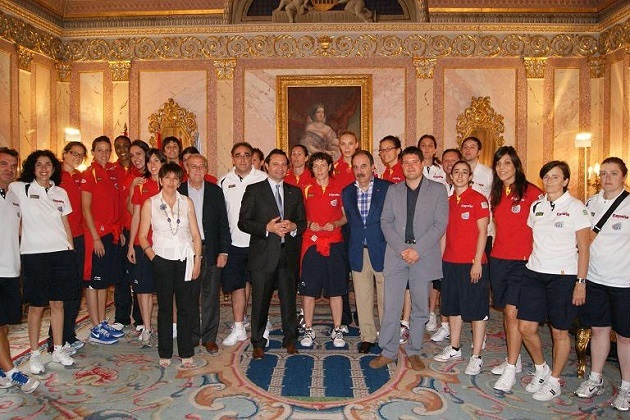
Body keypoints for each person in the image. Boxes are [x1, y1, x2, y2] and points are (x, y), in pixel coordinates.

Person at [370, 146, 448, 371]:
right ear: (401, 165)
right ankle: (388, 350)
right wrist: (403, 248)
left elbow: (439, 224)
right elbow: (386, 222)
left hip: (423, 255)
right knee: (391, 305)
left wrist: (418, 250)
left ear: (422, 163)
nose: (410, 166)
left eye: (415, 161)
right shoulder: (394, 191)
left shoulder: (438, 190)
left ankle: (414, 350)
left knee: (420, 307)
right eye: (406, 162)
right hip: (397, 255)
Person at [517, 160, 590, 401]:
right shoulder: (537, 206)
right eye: (546, 177)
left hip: (563, 277)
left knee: (559, 332)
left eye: (555, 177)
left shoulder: (576, 206)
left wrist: (581, 281)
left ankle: (555, 379)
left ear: (566, 181)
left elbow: (584, 247)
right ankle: (541, 369)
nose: (549, 181)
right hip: (534, 273)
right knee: (525, 328)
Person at [11, 150, 78, 374]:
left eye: (48, 164)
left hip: (60, 253)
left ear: (53, 168)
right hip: (34, 255)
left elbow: (65, 224)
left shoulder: (61, 192)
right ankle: (34, 354)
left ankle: (58, 349)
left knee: (58, 304)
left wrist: (70, 248)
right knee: (37, 307)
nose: (43, 168)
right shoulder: (20, 189)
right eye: (39, 164)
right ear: (32, 167)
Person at [239, 149, 306, 359]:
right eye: (275, 164)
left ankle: (290, 339)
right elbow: (243, 222)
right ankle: (258, 342)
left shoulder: (295, 192)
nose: (280, 168)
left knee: (289, 301)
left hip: (288, 256)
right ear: (266, 166)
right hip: (263, 256)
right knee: (260, 301)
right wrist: (266, 228)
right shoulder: (254, 190)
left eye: (284, 164)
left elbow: (303, 222)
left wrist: (294, 226)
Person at [576, 157, 630, 411]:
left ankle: (627, 387)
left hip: (624, 282)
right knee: (598, 330)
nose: (607, 178)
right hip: (595, 279)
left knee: (625, 337)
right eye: (604, 173)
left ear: (623, 177)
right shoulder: (590, 203)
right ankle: (595, 378)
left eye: (613, 173)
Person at [138, 162, 203, 368]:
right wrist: (154, 258)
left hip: (185, 259)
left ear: (179, 181)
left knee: (185, 308)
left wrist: (197, 260)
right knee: (165, 308)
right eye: (167, 178)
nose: (171, 182)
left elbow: (195, 234)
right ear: (160, 180)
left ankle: (186, 351)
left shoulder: (187, 202)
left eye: (175, 178)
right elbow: (141, 236)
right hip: (162, 260)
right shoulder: (150, 203)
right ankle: (165, 351)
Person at [489, 146, 543, 392]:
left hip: (522, 262)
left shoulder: (532, 193)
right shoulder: (497, 193)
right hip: (499, 258)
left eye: (507, 163)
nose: (502, 168)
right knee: (506, 313)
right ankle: (517, 358)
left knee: (512, 313)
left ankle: (511, 367)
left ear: (516, 166)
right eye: (498, 164)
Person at [433, 160, 489, 376]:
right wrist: (440, 260)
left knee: (476, 310)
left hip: (472, 264)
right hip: (450, 263)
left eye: (464, 172)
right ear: (451, 176)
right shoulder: (446, 202)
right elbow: (444, 235)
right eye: (456, 172)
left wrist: (476, 261)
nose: (459, 175)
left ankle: (476, 356)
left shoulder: (478, 199)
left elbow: (483, 232)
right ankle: (454, 347)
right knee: (452, 307)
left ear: (470, 176)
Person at [179, 154, 230, 354]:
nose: (198, 170)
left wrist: (223, 251)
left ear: (206, 169)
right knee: (189, 295)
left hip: (211, 248)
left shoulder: (216, 192)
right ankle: (191, 336)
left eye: (201, 167)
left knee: (210, 296)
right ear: (187, 169)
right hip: (186, 249)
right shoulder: (178, 191)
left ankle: (209, 337)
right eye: (194, 167)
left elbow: (223, 224)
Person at [342, 150, 391, 354]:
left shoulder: (387, 189)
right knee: (362, 297)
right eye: (356, 167)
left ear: (373, 167)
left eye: (364, 166)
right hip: (357, 250)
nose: (360, 171)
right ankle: (368, 336)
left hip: (383, 249)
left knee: (386, 298)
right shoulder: (347, 192)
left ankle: (388, 338)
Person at [219, 142, 268, 346]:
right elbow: (221, 216)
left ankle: (260, 327)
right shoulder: (224, 181)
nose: (242, 159)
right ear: (232, 158)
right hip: (234, 243)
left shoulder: (263, 179)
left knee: (260, 287)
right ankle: (239, 327)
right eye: (238, 155)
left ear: (252, 157)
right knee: (237, 286)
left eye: (247, 155)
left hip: (259, 243)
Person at [0, 147, 40, 393]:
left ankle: (3, 370)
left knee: (3, 324)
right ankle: (13, 371)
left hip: (11, 268)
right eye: (3, 164)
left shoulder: (15, 194)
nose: (9, 169)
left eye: (13, 165)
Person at [299, 152, 348, 348]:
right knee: (309, 290)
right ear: (311, 168)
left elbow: (345, 217)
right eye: (316, 165)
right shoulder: (305, 188)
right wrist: (309, 223)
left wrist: (335, 223)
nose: (319, 169)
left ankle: (337, 329)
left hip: (334, 243)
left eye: (323, 165)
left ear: (329, 166)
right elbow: (299, 216)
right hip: (311, 243)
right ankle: (308, 329)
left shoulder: (340, 188)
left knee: (335, 289)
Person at [81, 136, 125, 345]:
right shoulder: (89, 175)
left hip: (111, 232)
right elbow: (85, 209)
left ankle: (101, 322)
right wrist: (96, 237)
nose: (104, 154)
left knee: (103, 283)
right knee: (93, 282)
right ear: (93, 152)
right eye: (100, 150)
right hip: (95, 234)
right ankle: (95, 326)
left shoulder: (112, 173)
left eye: (107, 150)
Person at [46, 142, 89, 354]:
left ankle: (68, 334)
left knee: (75, 288)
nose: (77, 157)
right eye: (74, 153)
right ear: (64, 154)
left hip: (79, 237)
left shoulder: (79, 177)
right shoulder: (55, 178)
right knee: (60, 292)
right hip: (61, 239)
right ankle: (55, 340)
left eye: (81, 155)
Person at [127, 147, 163, 345]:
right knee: (144, 289)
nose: (153, 164)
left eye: (157, 161)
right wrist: (132, 245)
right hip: (144, 243)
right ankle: (147, 328)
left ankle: (170, 325)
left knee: (168, 290)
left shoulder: (172, 184)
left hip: (166, 245)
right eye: (150, 161)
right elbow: (136, 217)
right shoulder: (142, 185)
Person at [429, 148, 463, 344]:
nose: (450, 164)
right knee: (443, 286)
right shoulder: (439, 188)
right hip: (441, 244)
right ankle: (445, 326)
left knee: (461, 290)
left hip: (462, 247)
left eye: (454, 160)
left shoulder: (470, 189)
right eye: (446, 161)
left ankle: (475, 329)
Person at [114, 136, 142, 332]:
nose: (123, 151)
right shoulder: (112, 171)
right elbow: (111, 204)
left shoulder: (140, 173)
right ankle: (121, 317)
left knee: (139, 276)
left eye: (127, 147)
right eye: (120, 147)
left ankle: (140, 318)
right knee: (121, 277)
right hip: (122, 231)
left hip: (140, 231)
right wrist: (117, 228)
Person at [333, 130, 360, 328]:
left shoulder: (364, 165)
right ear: (339, 146)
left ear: (356, 144)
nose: (347, 147)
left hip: (360, 224)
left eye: (351, 143)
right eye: (343, 143)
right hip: (341, 224)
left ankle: (361, 310)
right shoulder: (334, 168)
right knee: (341, 270)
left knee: (360, 269)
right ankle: (344, 314)